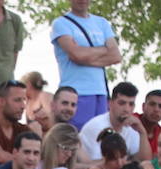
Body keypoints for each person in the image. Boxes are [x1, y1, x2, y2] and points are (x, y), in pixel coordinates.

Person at [49, 0, 120, 129]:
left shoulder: (102, 23)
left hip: (101, 92)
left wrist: (84, 56)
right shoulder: (61, 23)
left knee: (100, 139)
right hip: (76, 93)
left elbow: (116, 56)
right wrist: (104, 49)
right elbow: (76, 55)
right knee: (77, 138)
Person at [79, 82, 147, 162]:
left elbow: (144, 162)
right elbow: (101, 165)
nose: (127, 109)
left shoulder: (132, 128)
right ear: (110, 103)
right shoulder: (96, 126)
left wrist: (142, 132)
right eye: (122, 103)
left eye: (131, 104)